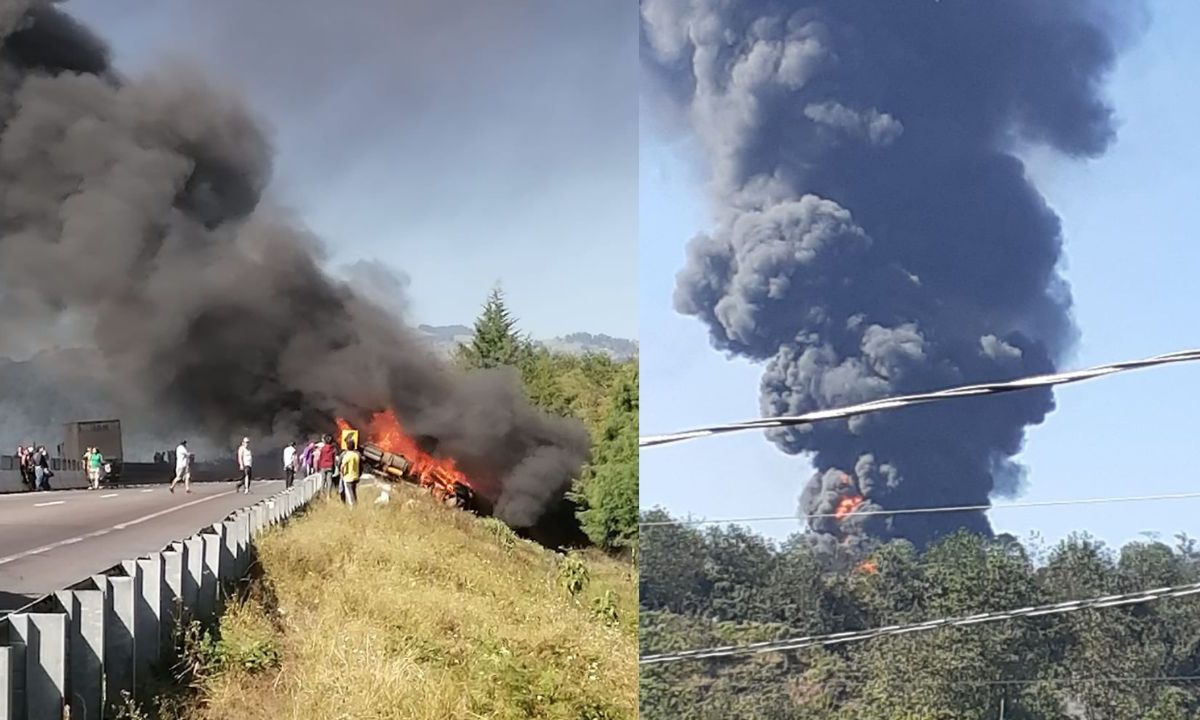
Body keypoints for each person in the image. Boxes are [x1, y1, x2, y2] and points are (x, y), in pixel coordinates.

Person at [339, 437, 361, 507]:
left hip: (348, 477)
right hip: (355, 476)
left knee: (349, 493)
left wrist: (342, 474)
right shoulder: (357, 455)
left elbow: (342, 466)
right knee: (354, 492)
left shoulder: (347, 455)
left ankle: (353, 508)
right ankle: (355, 505)